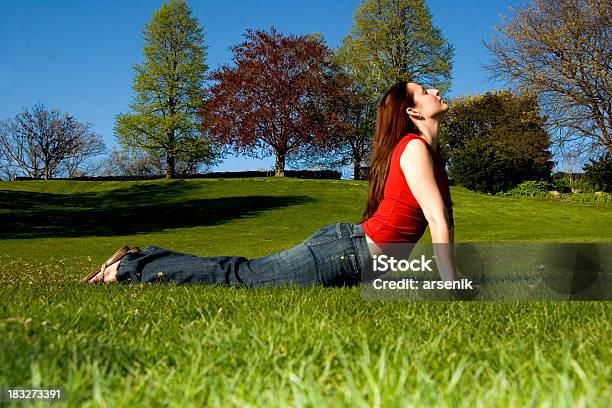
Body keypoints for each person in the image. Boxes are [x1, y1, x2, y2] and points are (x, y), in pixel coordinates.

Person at [83, 81, 457, 286]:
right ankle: (131, 268)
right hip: (346, 253)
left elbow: (444, 221)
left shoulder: (427, 153)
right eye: (426, 92)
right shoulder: (413, 148)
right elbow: (437, 221)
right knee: (242, 277)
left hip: (355, 258)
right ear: (412, 111)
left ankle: (142, 258)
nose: (436, 92)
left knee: (244, 271)